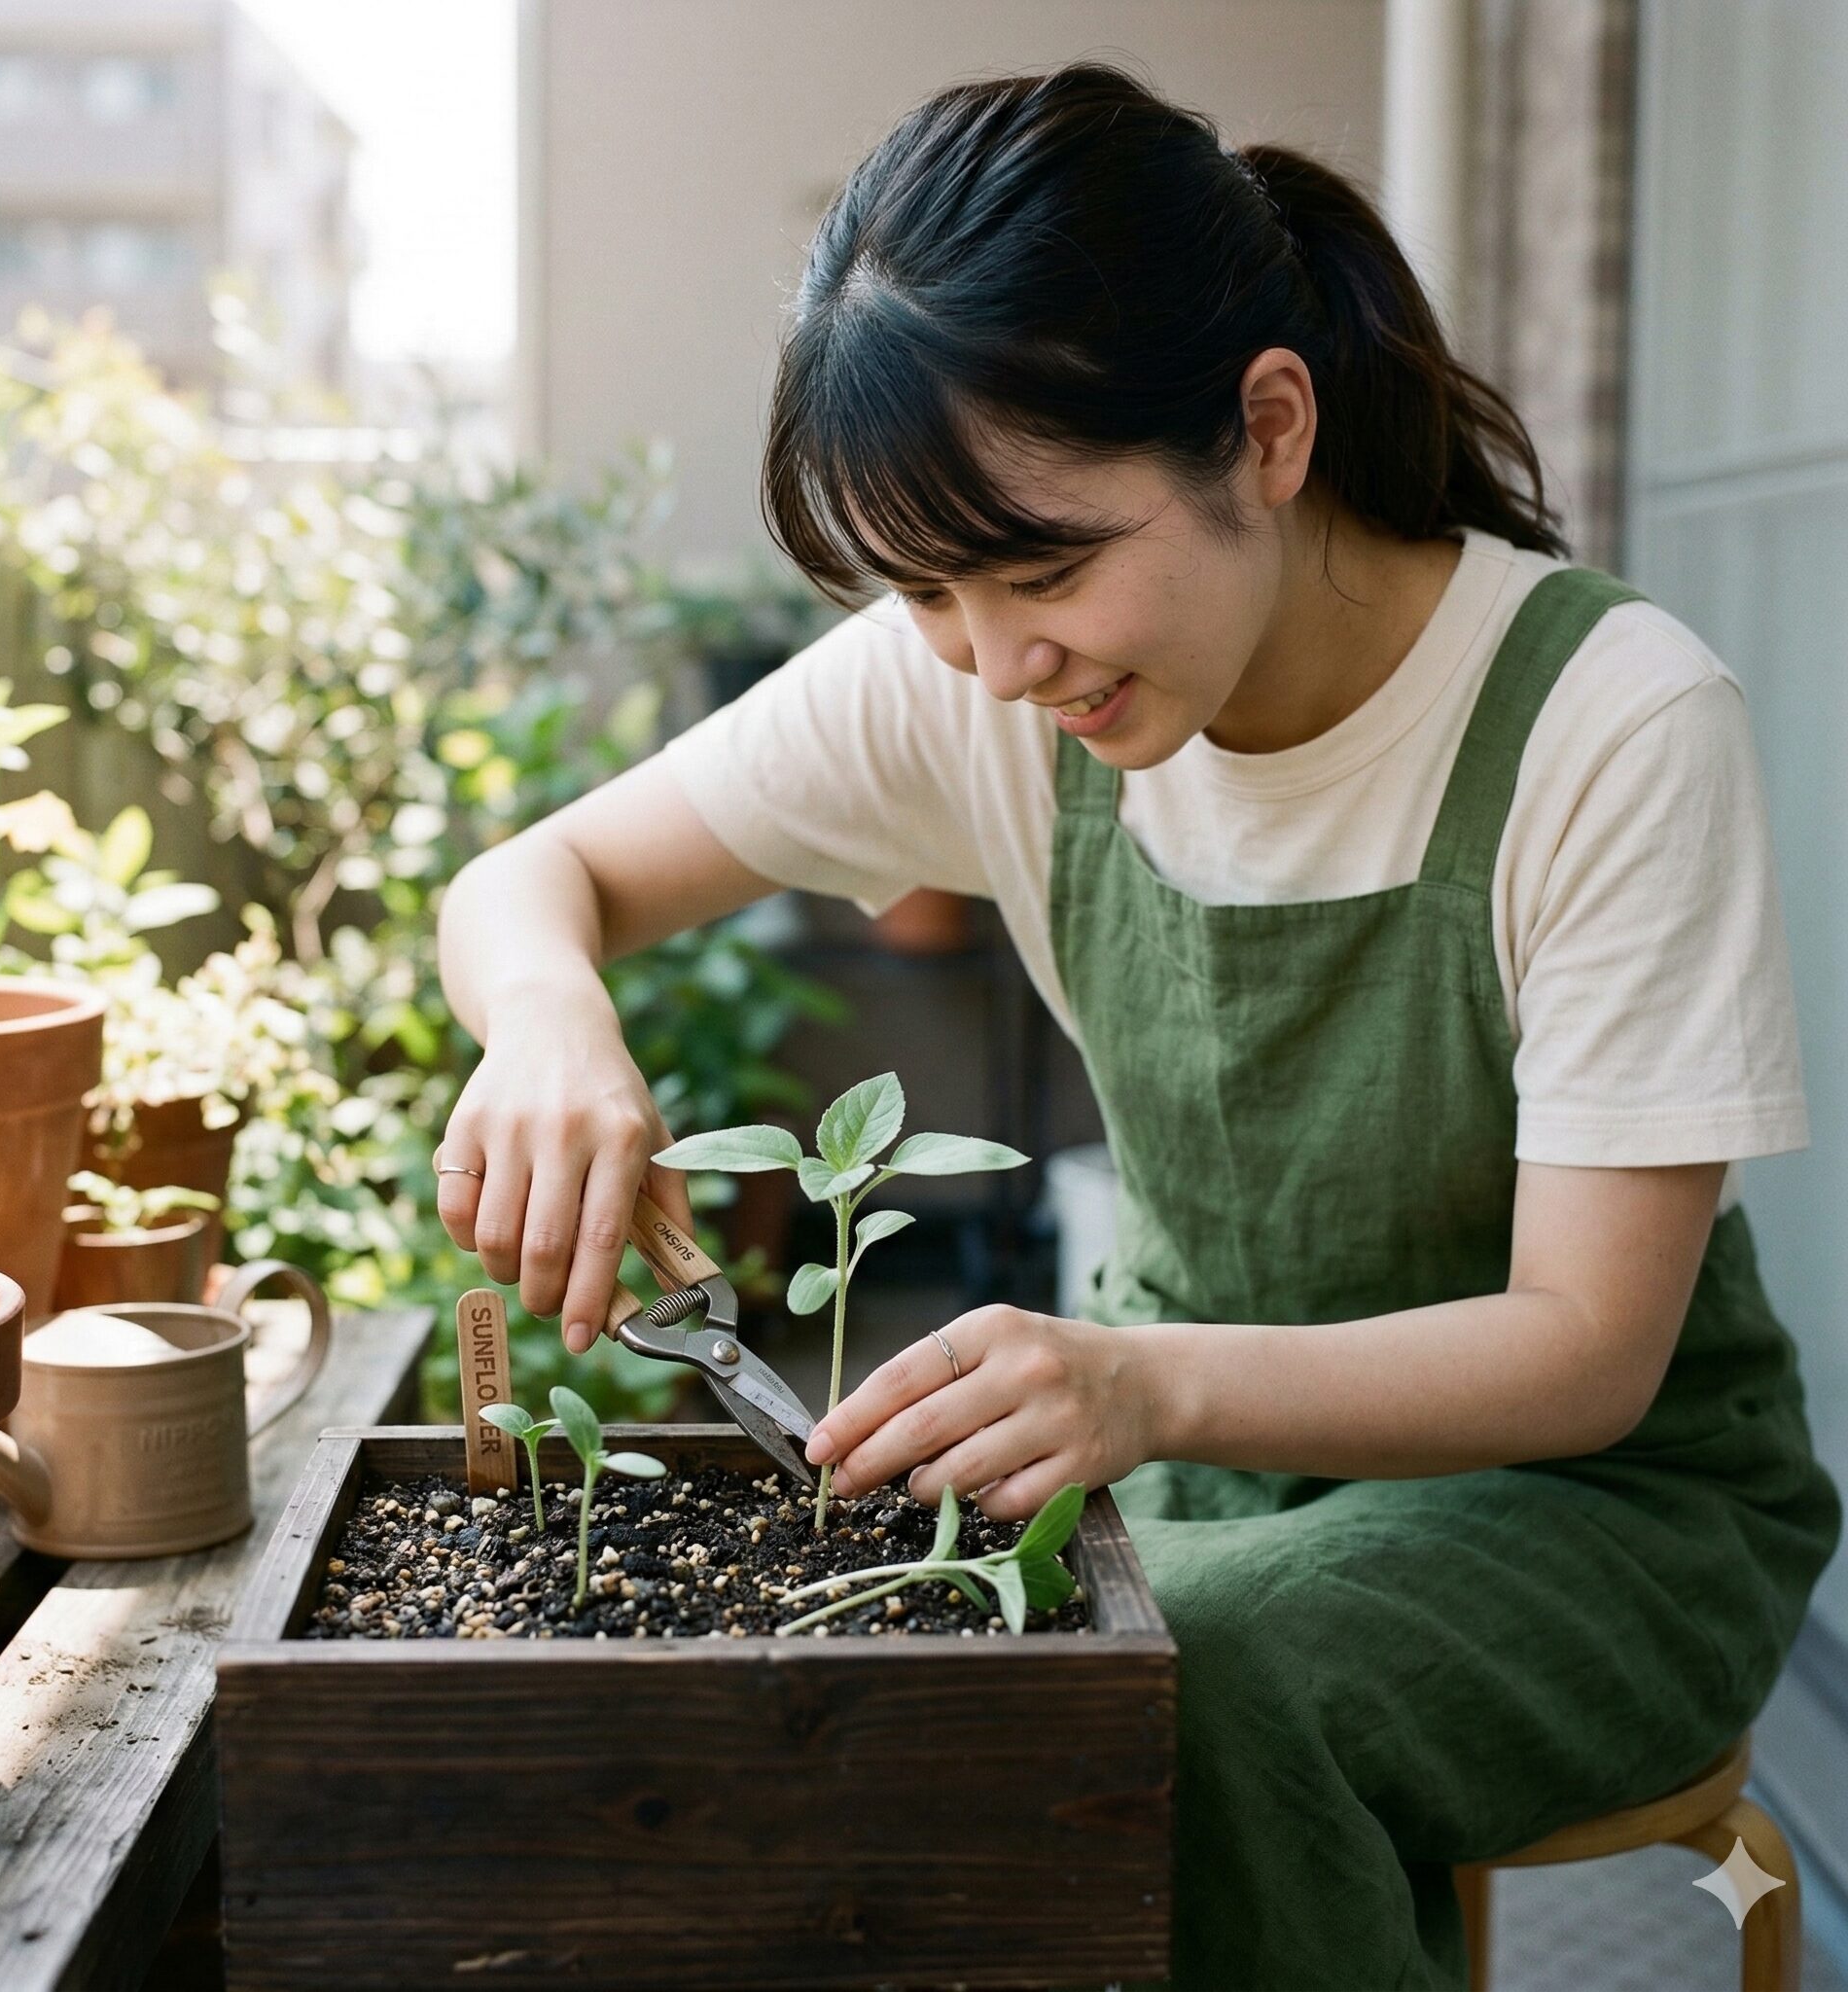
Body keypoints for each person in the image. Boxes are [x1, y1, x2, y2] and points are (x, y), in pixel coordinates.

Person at [434, 63, 1839, 1992]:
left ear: (1267, 429)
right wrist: (549, 1032)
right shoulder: (986, 679)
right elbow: (524, 883)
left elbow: (1587, 1351)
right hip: (1209, 1494)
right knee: (904, 1660)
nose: (1000, 661)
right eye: (925, 591)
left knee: (1188, 1678)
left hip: (1600, 1515)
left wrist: (1140, 1384)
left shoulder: (1605, 720)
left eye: (1047, 569)